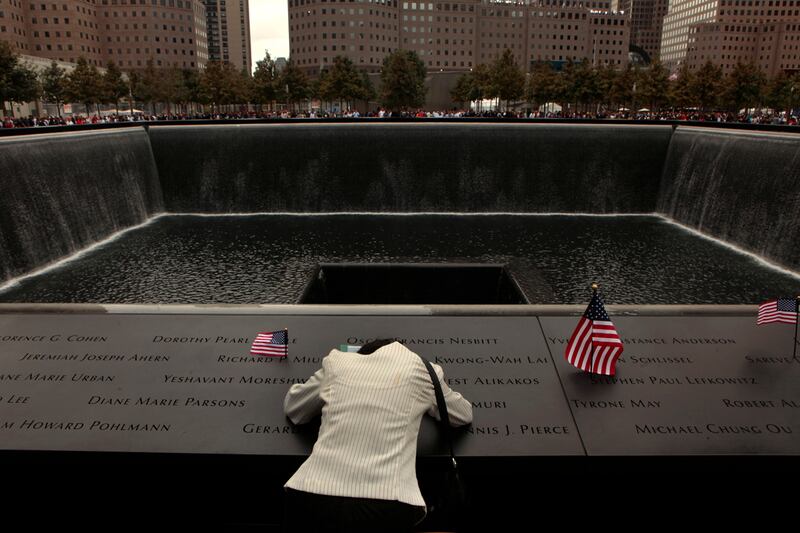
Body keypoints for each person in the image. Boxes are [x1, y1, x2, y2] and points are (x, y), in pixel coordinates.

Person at [283, 338, 472, 533]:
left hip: (310, 493)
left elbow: (295, 409)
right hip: (387, 503)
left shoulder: (337, 362)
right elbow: (462, 415)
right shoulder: (424, 370)